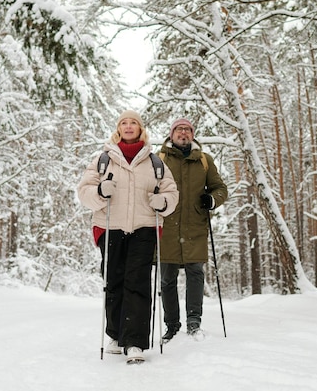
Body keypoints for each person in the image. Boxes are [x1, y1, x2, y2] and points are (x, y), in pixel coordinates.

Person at [77, 110, 179, 364]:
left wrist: (162, 202)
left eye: (134, 122)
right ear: (118, 129)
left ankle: (134, 342)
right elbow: (84, 192)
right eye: (124, 123)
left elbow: (171, 193)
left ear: (141, 129)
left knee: (138, 282)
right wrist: (100, 190)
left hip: (144, 228)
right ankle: (115, 334)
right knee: (114, 281)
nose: (129, 126)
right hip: (110, 227)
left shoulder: (155, 163)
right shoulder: (103, 160)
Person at [158, 118, 228, 341]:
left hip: (194, 227)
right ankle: (171, 325)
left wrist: (212, 200)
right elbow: (148, 188)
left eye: (188, 130)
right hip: (167, 227)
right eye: (179, 129)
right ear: (171, 134)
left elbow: (220, 188)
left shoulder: (204, 160)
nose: (183, 133)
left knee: (195, 274)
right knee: (167, 278)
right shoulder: (158, 160)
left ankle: (194, 322)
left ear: (193, 134)